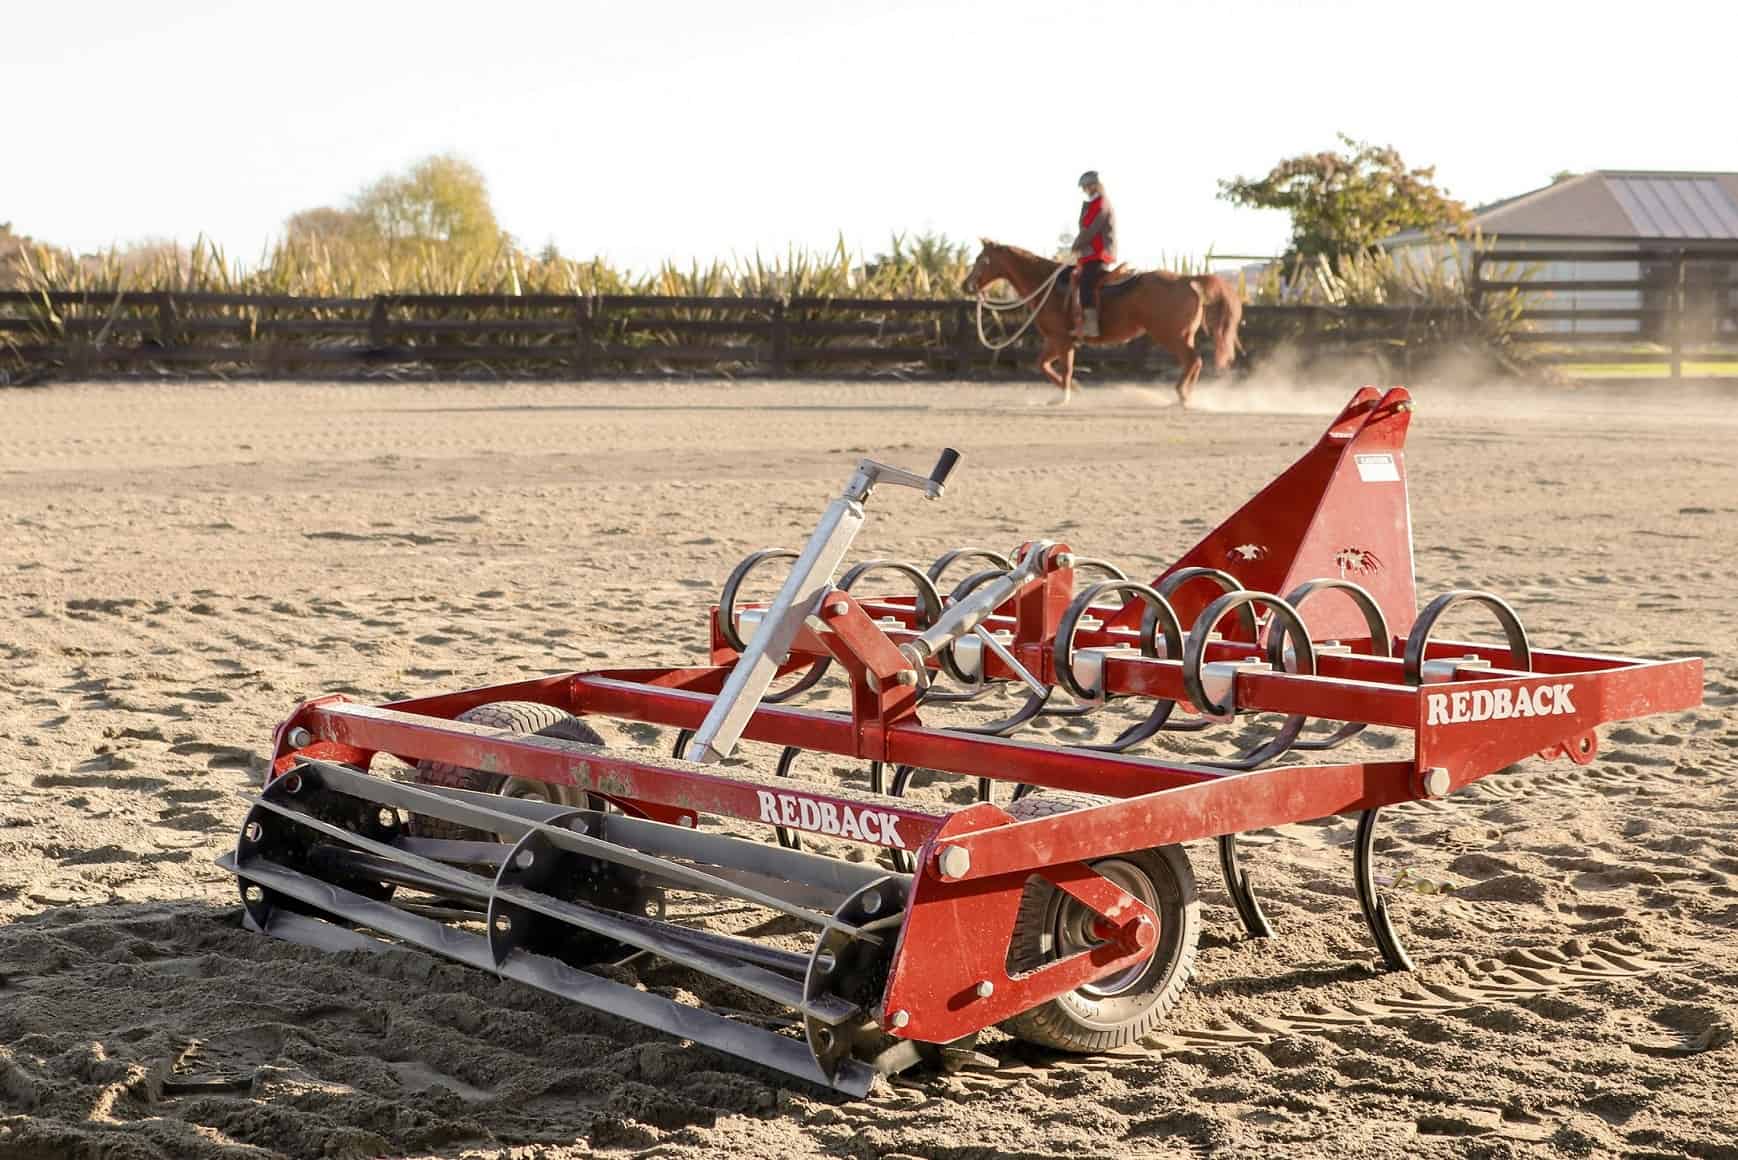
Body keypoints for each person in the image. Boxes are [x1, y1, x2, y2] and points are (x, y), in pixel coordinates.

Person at [1069, 170, 1116, 338]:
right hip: (1089, 254)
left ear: (1095, 185)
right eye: (1084, 187)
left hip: (1100, 254)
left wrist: (1076, 245)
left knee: (1086, 285)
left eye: (1086, 186)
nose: (1085, 190)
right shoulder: (1093, 204)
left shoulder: (1101, 203)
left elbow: (1090, 229)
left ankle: (1091, 326)